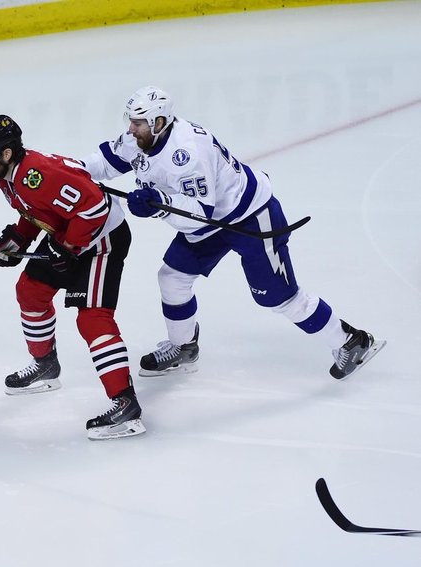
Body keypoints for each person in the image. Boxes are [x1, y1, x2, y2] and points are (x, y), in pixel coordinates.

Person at [79, 86, 384, 380]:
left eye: (138, 122)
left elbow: (199, 216)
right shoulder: (141, 137)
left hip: (250, 217)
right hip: (212, 218)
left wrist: (159, 205)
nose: (131, 129)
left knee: (279, 297)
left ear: (159, 122)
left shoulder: (186, 154)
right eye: (130, 121)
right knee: (172, 278)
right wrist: (70, 169)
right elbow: (105, 162)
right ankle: (184, 346)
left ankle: (349, 341)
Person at [0, 114, 145, 440]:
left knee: (93, 318)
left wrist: (67, 249)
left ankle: (126, 405)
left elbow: (95, 208)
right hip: (72, 234)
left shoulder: (37, 175)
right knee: (30, 289)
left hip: (101, 239)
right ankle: (45, 367)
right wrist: (15, 242)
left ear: (6, 154)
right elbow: (36, 212)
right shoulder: (8, 178)